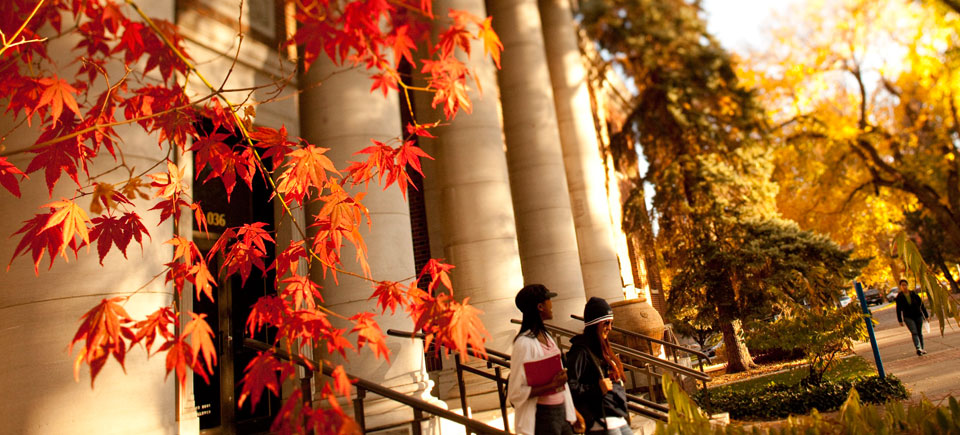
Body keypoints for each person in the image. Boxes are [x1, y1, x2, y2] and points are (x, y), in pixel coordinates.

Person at [508, 284, 580, 435]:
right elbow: (515, 393)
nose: (551, 304)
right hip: (542, 417)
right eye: (548, 300)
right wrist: (552, 384)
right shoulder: (524, 344)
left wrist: (573, 412)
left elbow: (559, 381)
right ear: (540, 306)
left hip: (562, 413)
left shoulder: (547, 337)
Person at [567, 297, 632, 435]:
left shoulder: (603, 349)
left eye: (611, 323)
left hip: (617, 417)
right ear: (594, 324)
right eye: (606, 323)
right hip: (600, 422)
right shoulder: (580, 351)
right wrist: (597, 388)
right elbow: (570, 386)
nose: (610, 328)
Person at [895, 279, 930, 356]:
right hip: (908, 317)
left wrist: (926, 315)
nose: (904, 286)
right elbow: (898, 309)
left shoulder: (913, 294)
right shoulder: (899, 297)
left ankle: (922, 348)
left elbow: (921, 305)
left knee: (919, 332)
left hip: (918, 315)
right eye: (902, 285)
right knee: (914, 332)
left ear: (907, 285)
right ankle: (918, 348)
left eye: (905, 284)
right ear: (900, 286)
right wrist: (900, 320)